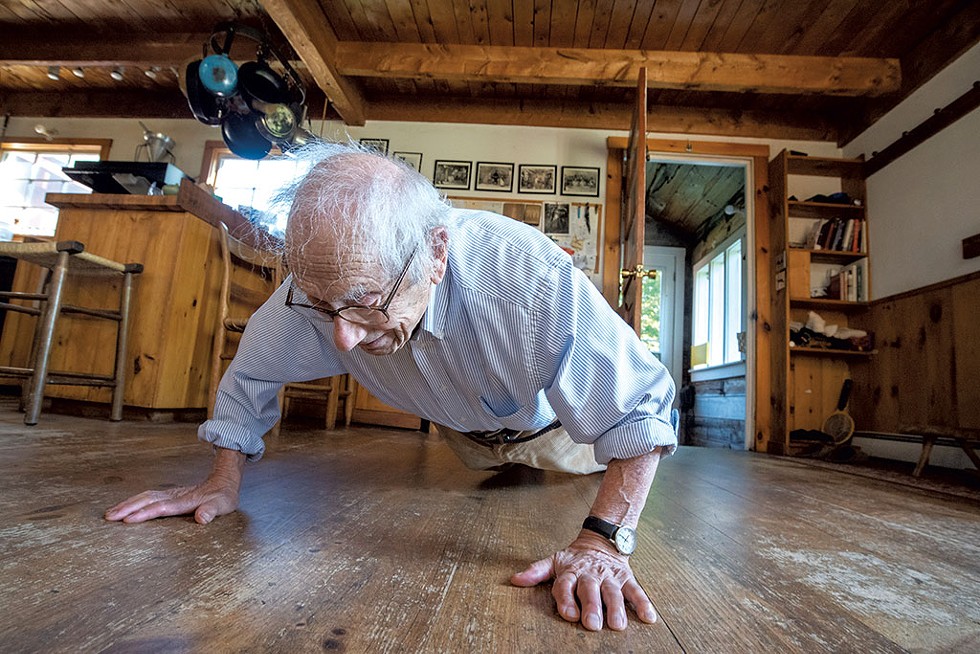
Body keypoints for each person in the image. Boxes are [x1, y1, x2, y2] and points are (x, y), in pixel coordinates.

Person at [105, 141, 678, 632]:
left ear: (435, 252)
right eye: (322, 304)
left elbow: (637, 406)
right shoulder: (315, 298)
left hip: (554, 430)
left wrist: (604, 541)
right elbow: (251, 371)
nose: (343, 340)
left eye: (365, 304)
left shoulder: (523, 277)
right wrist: (221, 479)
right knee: (494, 471)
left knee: (572, 475)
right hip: (465, 435)